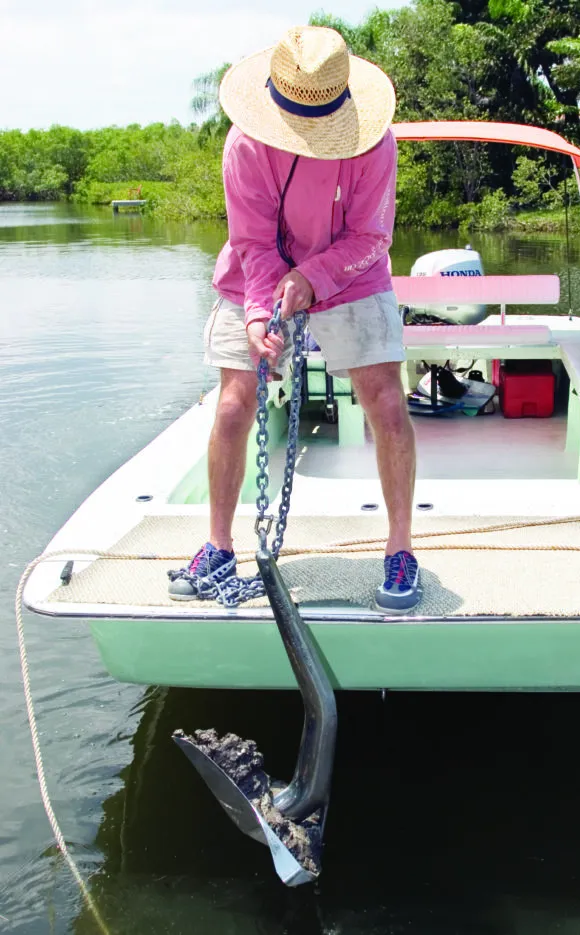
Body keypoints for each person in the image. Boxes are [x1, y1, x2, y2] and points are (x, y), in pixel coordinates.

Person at [168, 25, 421, 612]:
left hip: (351, 268)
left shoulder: (375, 144)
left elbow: (372, 236)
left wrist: (311, 278)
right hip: (256, 272)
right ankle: (219, 546)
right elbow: (252, 240)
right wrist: (261, 310)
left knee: (386, 402)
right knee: (233, 405)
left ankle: (401, 547)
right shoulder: (245, 145)